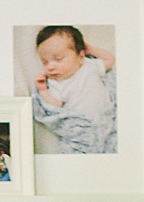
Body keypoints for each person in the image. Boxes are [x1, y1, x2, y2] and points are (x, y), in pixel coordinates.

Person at [30, 25, 116, 154]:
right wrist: (43, 90)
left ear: (80, 56)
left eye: (58, 59)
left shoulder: (89, 66)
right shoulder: (55, 83)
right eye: (45, 62)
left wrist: (91, 49)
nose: (51, 66)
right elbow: (56, 105)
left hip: (106, 121)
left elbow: (110, 60)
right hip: (81, 129)